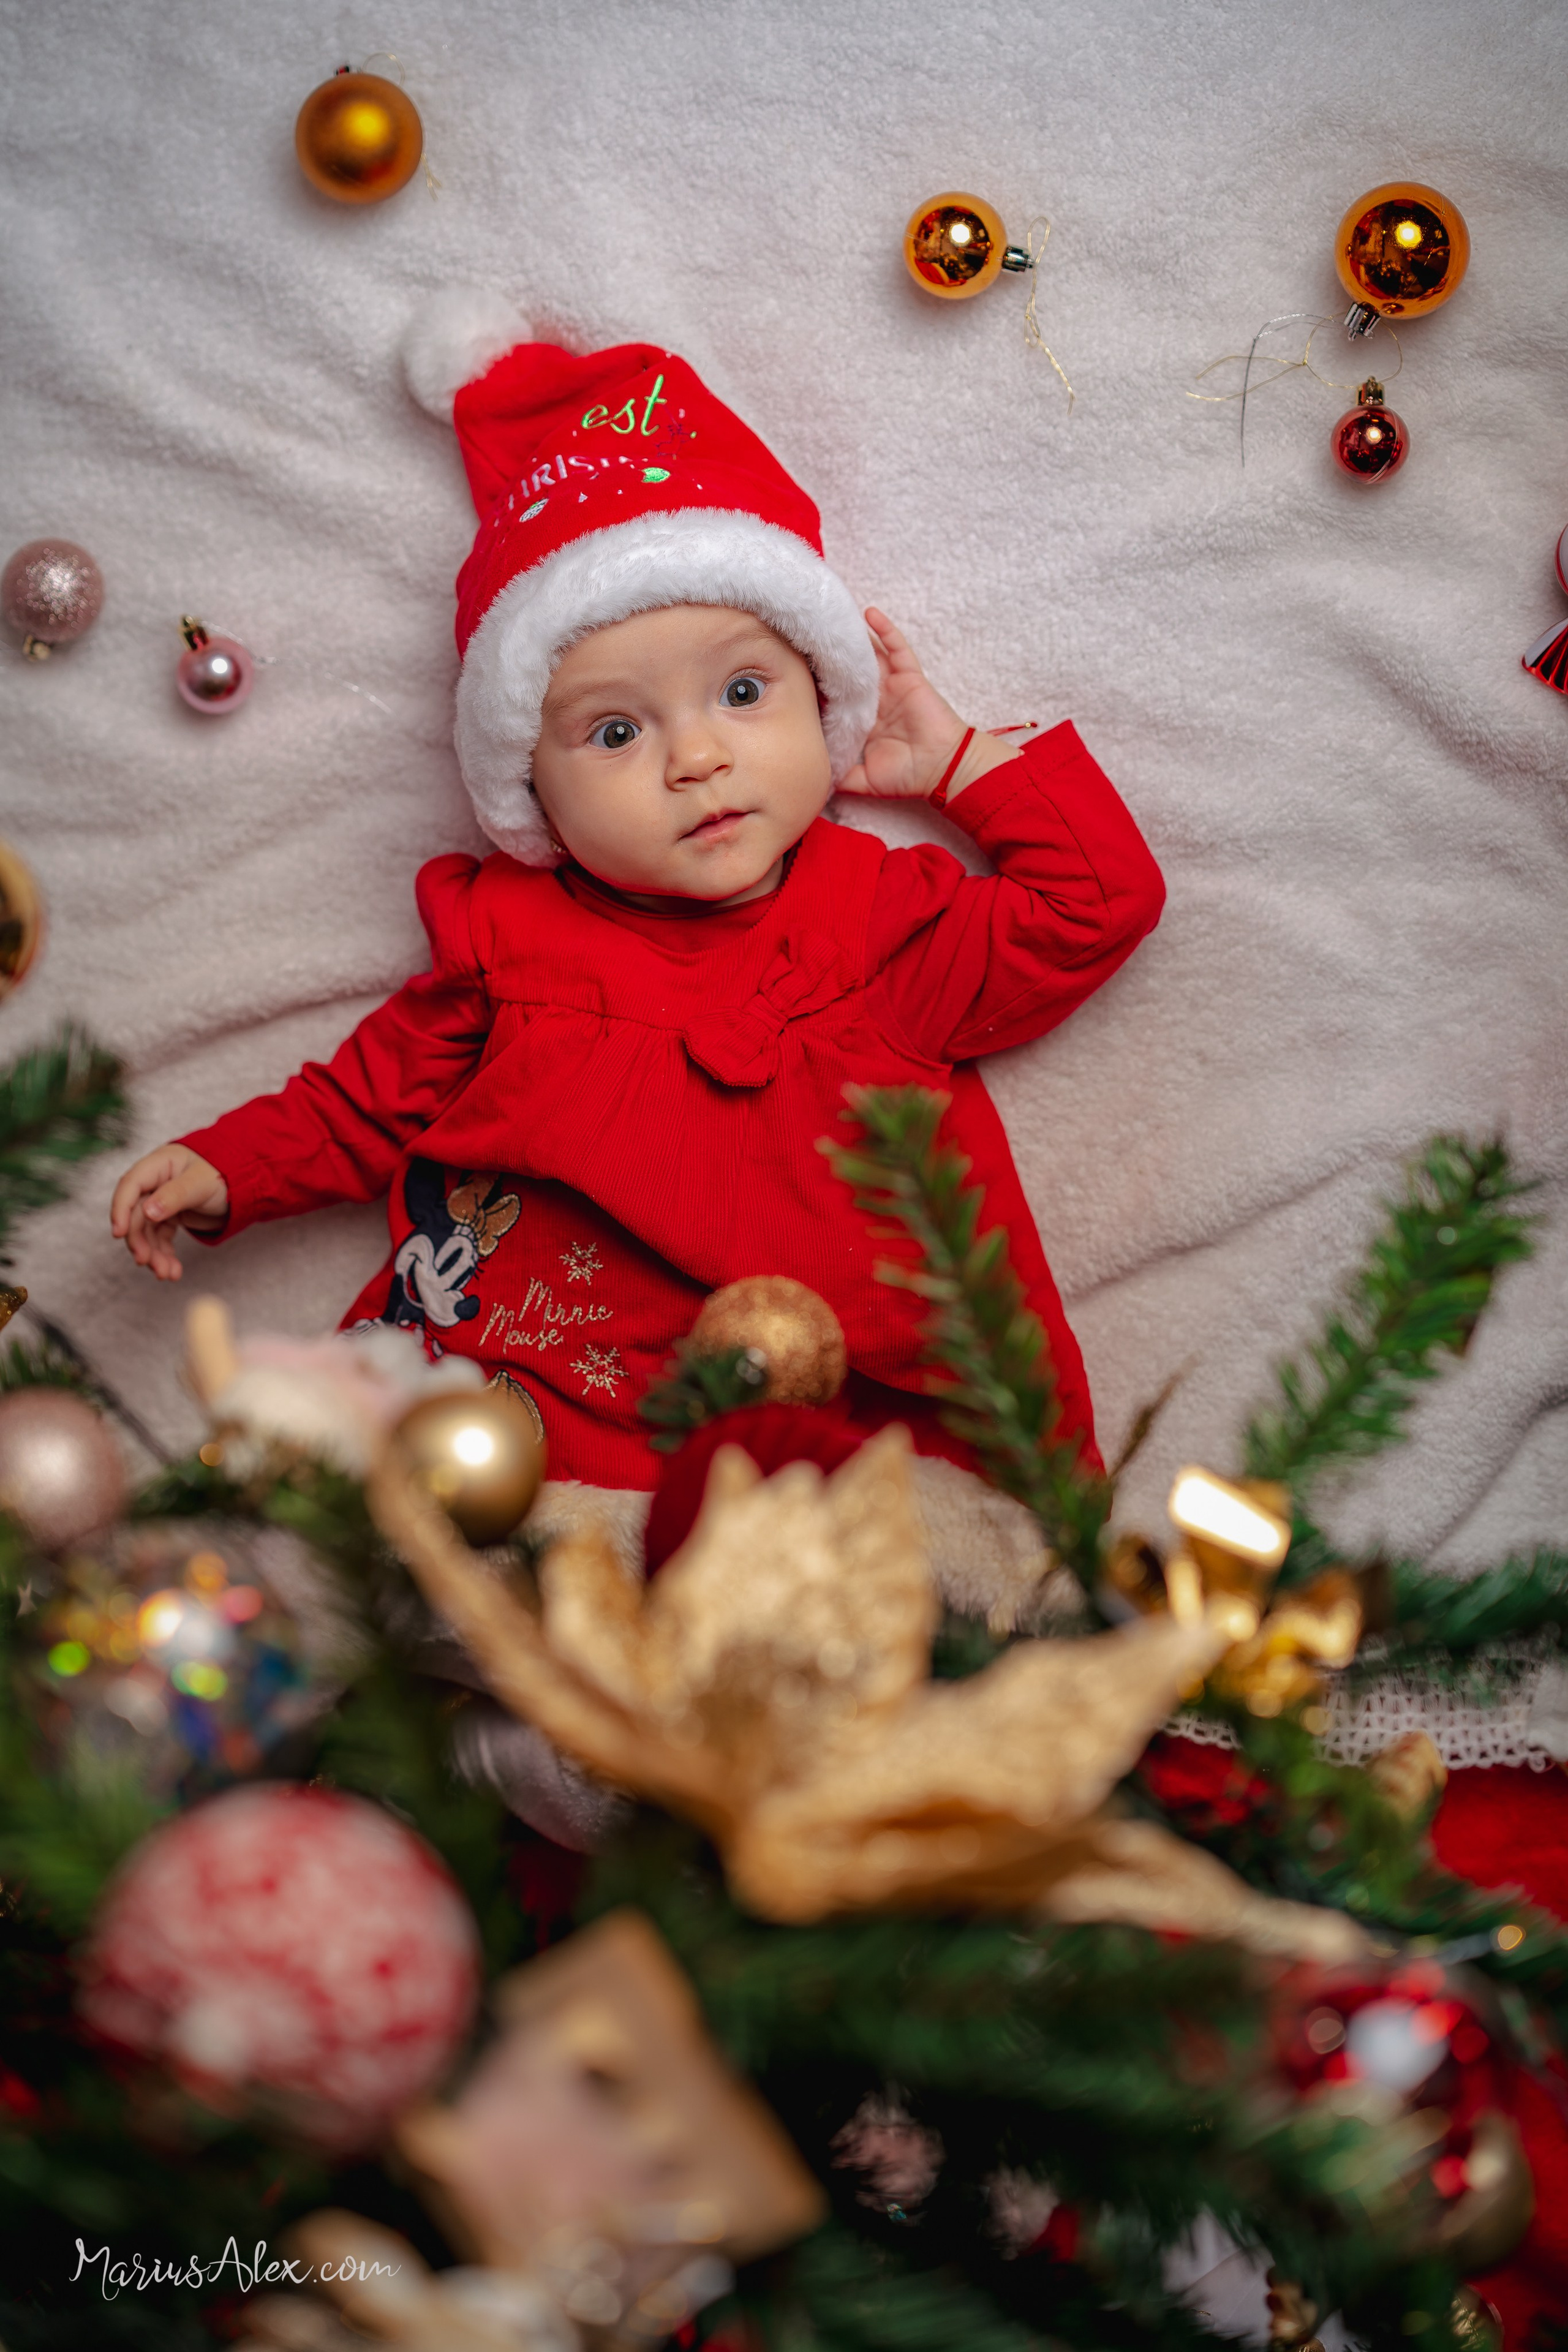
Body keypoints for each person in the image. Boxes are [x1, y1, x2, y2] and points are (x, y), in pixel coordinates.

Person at [110, 312, 1164, 1499]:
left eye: (743, 691)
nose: (696, 760)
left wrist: (960, 763)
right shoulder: (509, 944)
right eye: (615, 731)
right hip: (538, 1419)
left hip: (829, 1425)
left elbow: (1095, 902)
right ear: (528, 791)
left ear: (825, 702)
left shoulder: (879, 926)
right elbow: (360, 1105)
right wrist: (225, 1171)